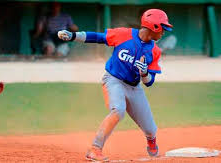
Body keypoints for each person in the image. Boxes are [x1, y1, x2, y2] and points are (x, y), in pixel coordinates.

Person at [58, 9, 173, 161]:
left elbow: (149, 82)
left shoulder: (154, 51)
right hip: (113, 80)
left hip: (134, 87)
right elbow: (98, 37)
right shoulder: (124, 34)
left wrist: (144, 73)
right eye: (163, 28)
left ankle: (151, 141)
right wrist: (74, 36)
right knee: (118, 110)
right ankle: (95, 149)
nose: (164, 32)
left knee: (151, 130)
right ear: (154, 27)